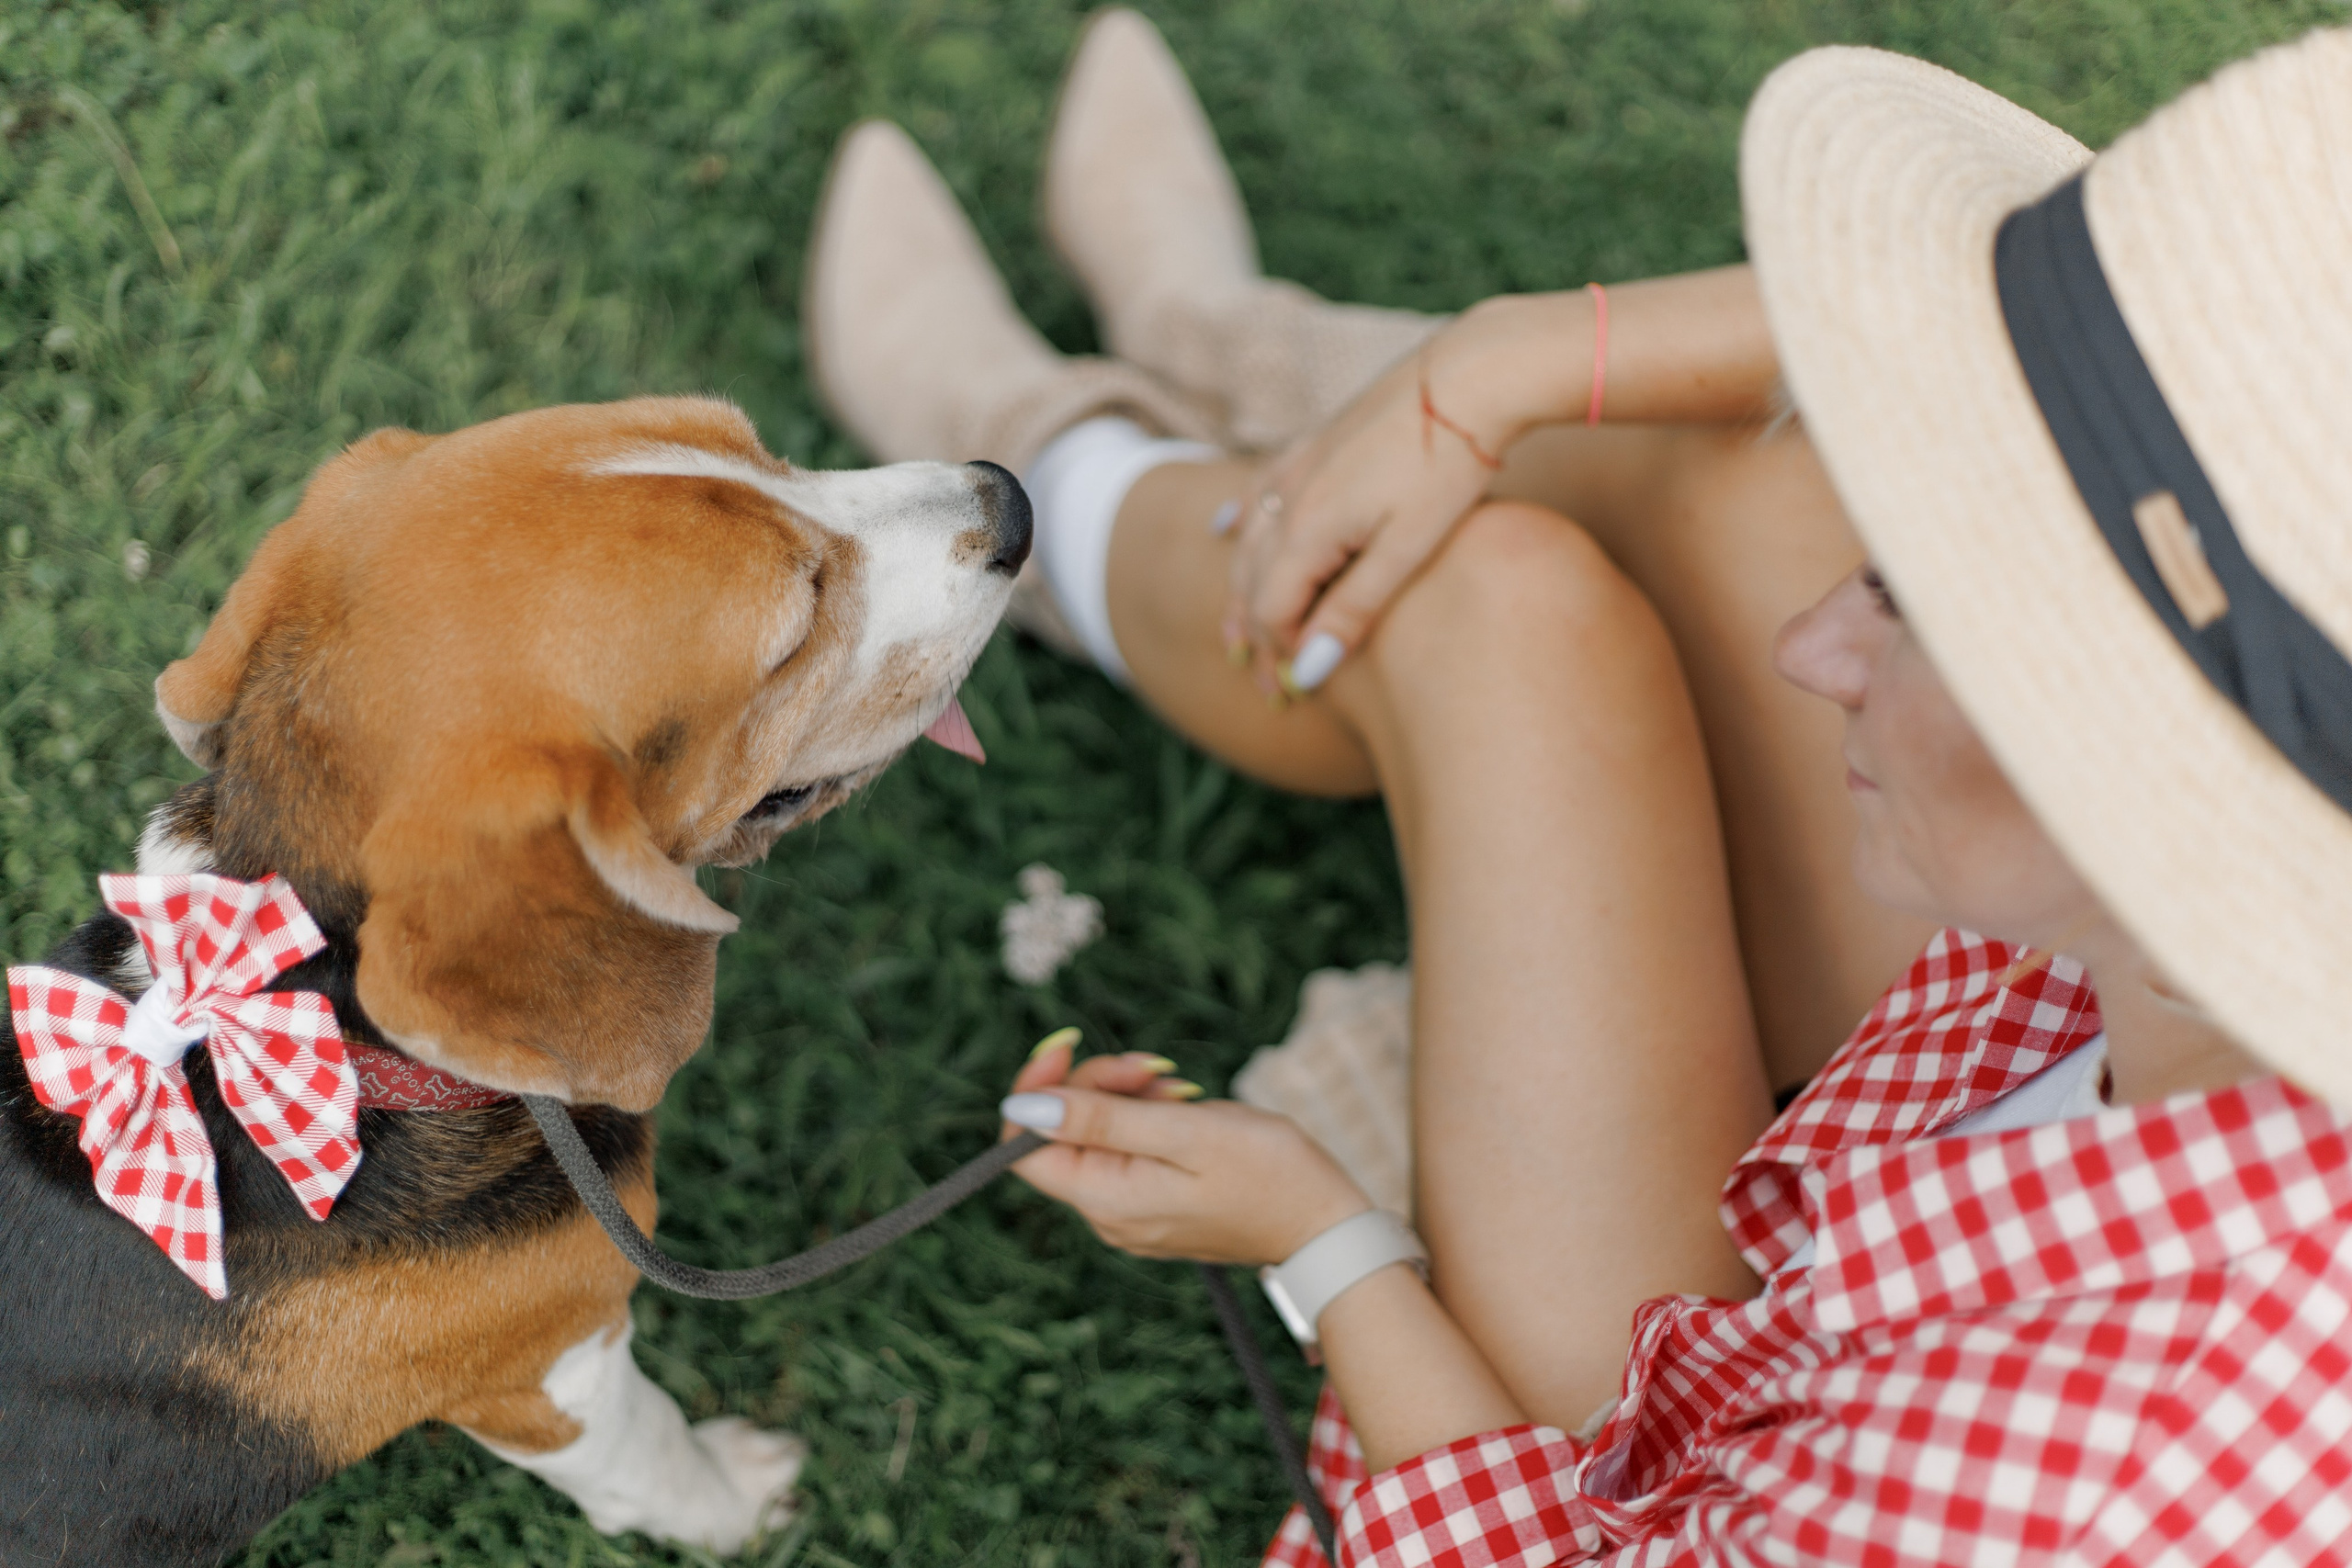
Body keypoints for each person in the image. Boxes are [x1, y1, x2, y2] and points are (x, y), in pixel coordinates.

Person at [806, 14, 2352, 1564]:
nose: (1819, 645)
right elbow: (1962, 364)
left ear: (2161, 814)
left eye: (1915, 608)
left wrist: (1324, 1244)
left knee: (1483, 601)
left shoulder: (2079, 1486)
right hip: (1977, 1081)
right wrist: (1517, 358)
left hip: (1673, 1454)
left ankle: (1047, 463)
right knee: (1753, 475)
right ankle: (1229, 348)